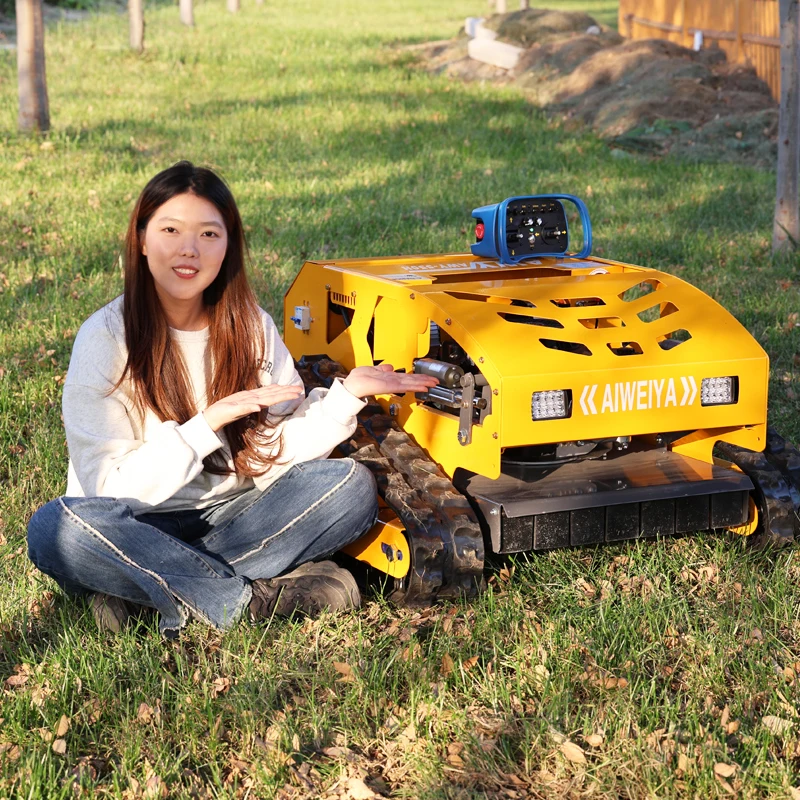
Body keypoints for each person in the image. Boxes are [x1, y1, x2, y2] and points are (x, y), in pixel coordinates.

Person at [26, 161, 437, 637]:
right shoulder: (105, 339)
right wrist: (208, 424)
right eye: (171, 229)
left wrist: (346, 397)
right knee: (57, 527)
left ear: (228, 246)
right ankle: (248, 601)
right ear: (141, 240)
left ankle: (145, 594)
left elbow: (276, 452)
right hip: (131, 524)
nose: (189, 249)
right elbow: (106, 490)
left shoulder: (251, 327)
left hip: (236, 516)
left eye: (208, 234)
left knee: (348, 487)